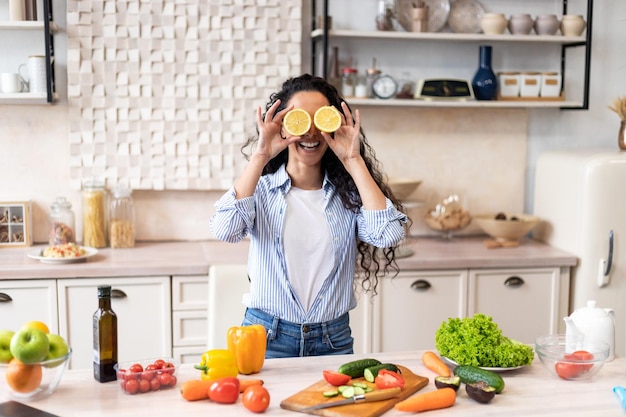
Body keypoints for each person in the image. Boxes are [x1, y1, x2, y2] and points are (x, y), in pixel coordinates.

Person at [210, 74, 408, 358]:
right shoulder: (261, 191)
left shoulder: (350, 195)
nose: (311, 132)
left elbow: (388, 234)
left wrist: (353, 160)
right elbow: (225, 229)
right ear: (281, 125)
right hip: (266, 337)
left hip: (332, 340)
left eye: (321, 120)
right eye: (301, 119)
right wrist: (261, 155)